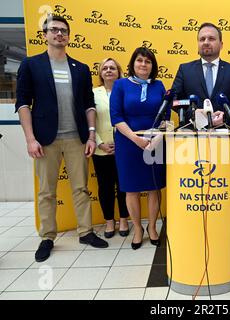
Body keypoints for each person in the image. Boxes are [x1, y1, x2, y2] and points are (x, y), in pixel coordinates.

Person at [15, 15, 108, 263]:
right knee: (46, 191)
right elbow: (23, 103)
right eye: (54, 30)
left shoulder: (80, 68)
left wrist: (90, 135)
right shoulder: (31, 65)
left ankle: (86, 232)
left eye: (63, 30)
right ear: (44, 35)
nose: (59, 34)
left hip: (77, 138)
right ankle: (47, 237)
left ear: (68, 35)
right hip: (45, 140)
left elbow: (89, 105)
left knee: (81, 188)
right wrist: (30, 139)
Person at [110, 47, 168, 249]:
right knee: (131, 189)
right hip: (128, 143)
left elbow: (166, 119)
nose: (143, 64)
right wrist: (136, 139)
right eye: (140, 60)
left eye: (148, 61)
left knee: (154, 188)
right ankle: (137, 229)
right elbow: (116, 117)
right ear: (132, 64)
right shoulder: (120, 85)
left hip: (156, 143)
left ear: (153, 66)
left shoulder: (159, 86)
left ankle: (152, 227)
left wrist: (156, 139)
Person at [172, 22, 230, 128]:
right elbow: (174, 101)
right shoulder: (185, 69)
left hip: (223, 131)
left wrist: (226, 116)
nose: (206, 42)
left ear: (221, 44)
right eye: (202, 39)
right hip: (192, 132)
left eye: (211, 38)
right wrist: (192, 113)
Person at [92, 58, 129, 238]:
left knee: (123, 186)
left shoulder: (125, 91)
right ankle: (109, 222)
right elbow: (89, 121)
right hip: (101, 149)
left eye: (112, 68)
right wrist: (100, 143)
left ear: (119, 71)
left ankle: (123, 219)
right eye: (104, 68)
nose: (108, 70)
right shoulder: (92, 93)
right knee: (105, 187)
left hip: (124, 147)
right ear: (100, 73)